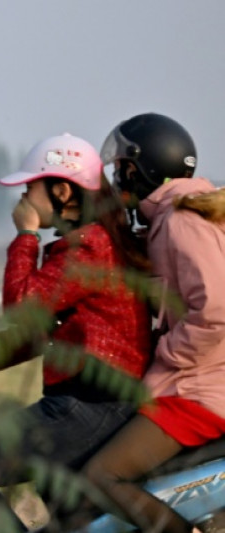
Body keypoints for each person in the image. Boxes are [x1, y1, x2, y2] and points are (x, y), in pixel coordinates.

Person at [0, 133, 153, 532]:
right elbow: (42, 331)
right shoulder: (95, 241)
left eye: (30, 188)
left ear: (62, 191)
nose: (24, 199)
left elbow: (22, 309)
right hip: (94, 405)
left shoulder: (89, 247)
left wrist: (25, 235)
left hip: (89, 408)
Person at [77, 113, 225, 533]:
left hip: (198, 391)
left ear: (146, 169)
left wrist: (169, 353)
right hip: (200, 382)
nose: (119, 176)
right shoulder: (176, 217)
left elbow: (215, 309)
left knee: (102, 476)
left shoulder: (181, 222)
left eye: (123, 168)